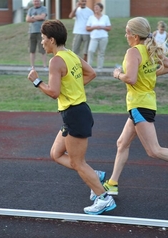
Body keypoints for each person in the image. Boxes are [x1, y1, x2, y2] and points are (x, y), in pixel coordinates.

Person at [100, 17, 168, 198]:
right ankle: (112, 183)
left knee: (154, 150)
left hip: (139, 105)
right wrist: (151, 73)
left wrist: (118, 74)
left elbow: (131, 79)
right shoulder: (149, 49)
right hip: (144, 103)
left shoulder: (133, 52)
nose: (125, 35)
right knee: (122, 144)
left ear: (134, 35)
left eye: (127, 32)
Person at [27, 19, 116, 215]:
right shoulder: (72, 55)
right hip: (77, 112)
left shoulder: (56, 61)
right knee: (56, 154)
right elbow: (91, 73)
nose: (42, 42)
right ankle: (95, 176)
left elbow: (54, 93)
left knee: (77, 162)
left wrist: (36, 81)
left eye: (43, 39)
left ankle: (103, 198)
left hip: (75, 114)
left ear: (51, 39)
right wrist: (73, 88)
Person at [86, 3, 111, 72]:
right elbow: (87, 28)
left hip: (103, 37)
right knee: (91, 51)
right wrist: (94, 27)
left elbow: (109, 28)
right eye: (95, 8)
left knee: (101, 53)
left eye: (97, 7)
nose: (96, 9)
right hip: (94, 37)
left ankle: (99, 68)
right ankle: (89, 67)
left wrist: (102, 27)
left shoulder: (105, 17)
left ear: (101, 9)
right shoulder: (91, 17)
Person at [26, 0, 48, 71]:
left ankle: (45, 66)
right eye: (35, 1)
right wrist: (36, 17)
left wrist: (32, 17)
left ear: (40, 2)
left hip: (41, 32)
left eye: (37, 1)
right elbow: (27, 19)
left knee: (43, 49)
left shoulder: (44, 9)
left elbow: (43, 17)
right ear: (33, 2)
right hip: (32, 32)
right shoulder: (30, 9)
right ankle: (32, 67)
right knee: (32, 50)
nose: (36, 2)